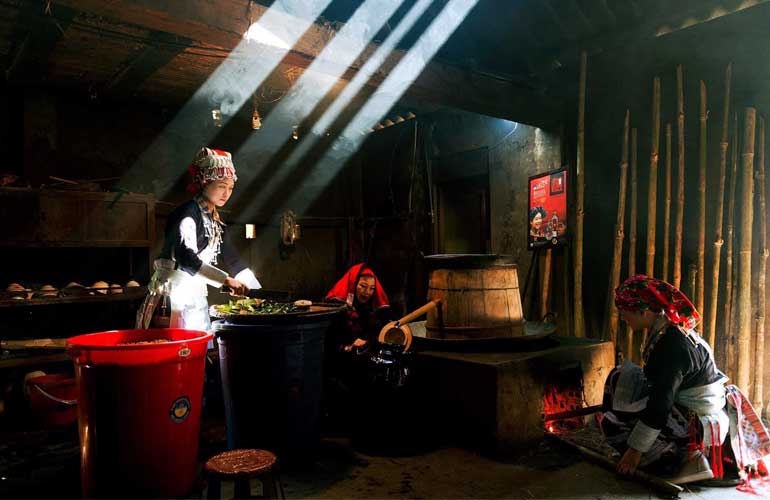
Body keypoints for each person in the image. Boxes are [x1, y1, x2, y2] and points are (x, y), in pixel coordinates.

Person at [602, 274, 770, 485]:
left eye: (624, 313)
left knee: (617, 417)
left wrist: (635, 450)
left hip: (696, 420)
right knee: (620, 378)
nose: (623, 318)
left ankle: (682, 458)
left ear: (643, 312)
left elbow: (661, 404)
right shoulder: (668, 330)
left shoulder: (672, 345)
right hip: (694, 406)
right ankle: (666, 452)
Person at [136, 147, 261, 331]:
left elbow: (233, 258)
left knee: (198, 348)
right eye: (221, 186)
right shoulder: (187, 214)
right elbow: (186, 257)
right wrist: (227, 281)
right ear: (204, 182)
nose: (226, 193)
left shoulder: (215, 220)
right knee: (172, 348)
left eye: (230, 188)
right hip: (171, 296)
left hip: (194, 294)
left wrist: (256, 292)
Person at [325, 263, 390, 351]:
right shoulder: (336, 308)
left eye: (372, 288)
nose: (367, 292)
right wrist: (346, 347)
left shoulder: (372, 310)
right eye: (363, 286)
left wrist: (366, 341)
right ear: (353, 284)